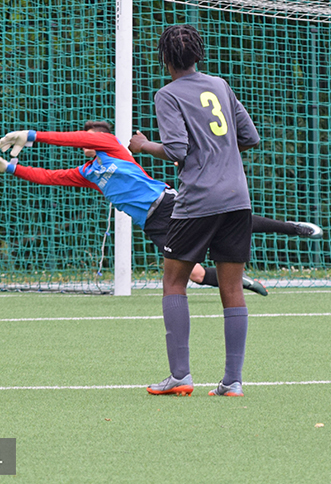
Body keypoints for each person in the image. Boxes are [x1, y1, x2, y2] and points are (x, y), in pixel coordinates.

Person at [0, 121, 322, 297]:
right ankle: (241, 281)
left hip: (169, 203)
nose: (86, 140)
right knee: (196, 274)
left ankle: (294, 227)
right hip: (152, 224)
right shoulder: (88, 174)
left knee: (235, 226)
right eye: (86, 136)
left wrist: (33, 135)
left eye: (89, 136)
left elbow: (74, 139)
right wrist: (7, 167)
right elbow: (48, 176)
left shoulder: (111, 146)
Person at [129, 23, 261, 397]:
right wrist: (219, 155)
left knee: (174, 281)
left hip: (199, 201)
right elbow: (249, 137)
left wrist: (142, 145)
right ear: (199, 55)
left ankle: (180, 377)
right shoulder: (219, 85)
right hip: (238, 198)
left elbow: (176, 150)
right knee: (232, 288)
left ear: (165, 59)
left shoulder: (167, 95)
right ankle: (232, 382)